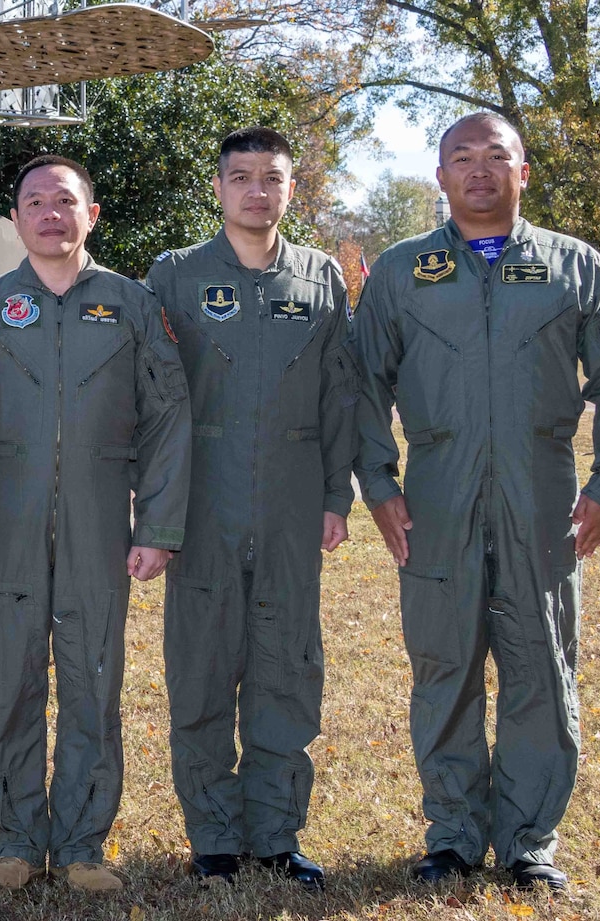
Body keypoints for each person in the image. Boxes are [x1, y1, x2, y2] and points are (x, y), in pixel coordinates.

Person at [352, 112, 600, 892]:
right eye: (462, 157)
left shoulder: (573, 266)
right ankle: (451, 833)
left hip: (542, 492)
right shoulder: (400, 271)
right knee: (444, 665)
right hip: (437, 496)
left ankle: (528, 841)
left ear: (524, 173)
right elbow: (360, 382)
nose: (478, 169)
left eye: (496, 156)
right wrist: (378, 482)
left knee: (539, 668)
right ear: (440, 177)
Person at [0, 155, 191, 894]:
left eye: (65, 201)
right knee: (11, 679)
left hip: (103, 520)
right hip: (10, 521)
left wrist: (159, 524)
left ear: (92, 215)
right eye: (35, 202)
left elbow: (169, 418)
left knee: (93, 678)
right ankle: (15, 838)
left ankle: (83, 842)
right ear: (15, 218)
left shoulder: (133, 304)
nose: (51, 213)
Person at [141, 127, 356, 889]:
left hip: (295, 503)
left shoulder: (321, 278)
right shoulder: (174, 276)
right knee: (201, 667)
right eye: (242, 177)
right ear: (218, 187)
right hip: (203, 502)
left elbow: (340, 396)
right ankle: (215, 837)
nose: (257, 191)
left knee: (287, 669)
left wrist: (338, 495)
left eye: (272, 177)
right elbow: (151, 399)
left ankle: (276, 833)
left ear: (291, 188)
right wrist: (154, 509)